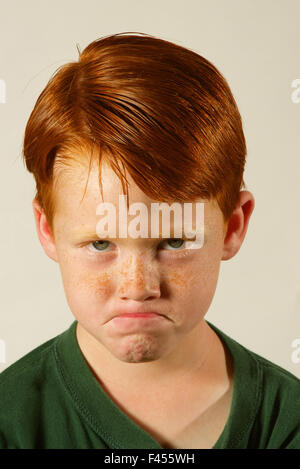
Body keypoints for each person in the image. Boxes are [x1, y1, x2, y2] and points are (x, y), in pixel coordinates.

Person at [0, 32, 299, 450]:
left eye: (174, 241)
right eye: (101, 244)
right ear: (47, 229)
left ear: (232, 227)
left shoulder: (286, 422)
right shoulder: (11, 422)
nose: (138, 287)